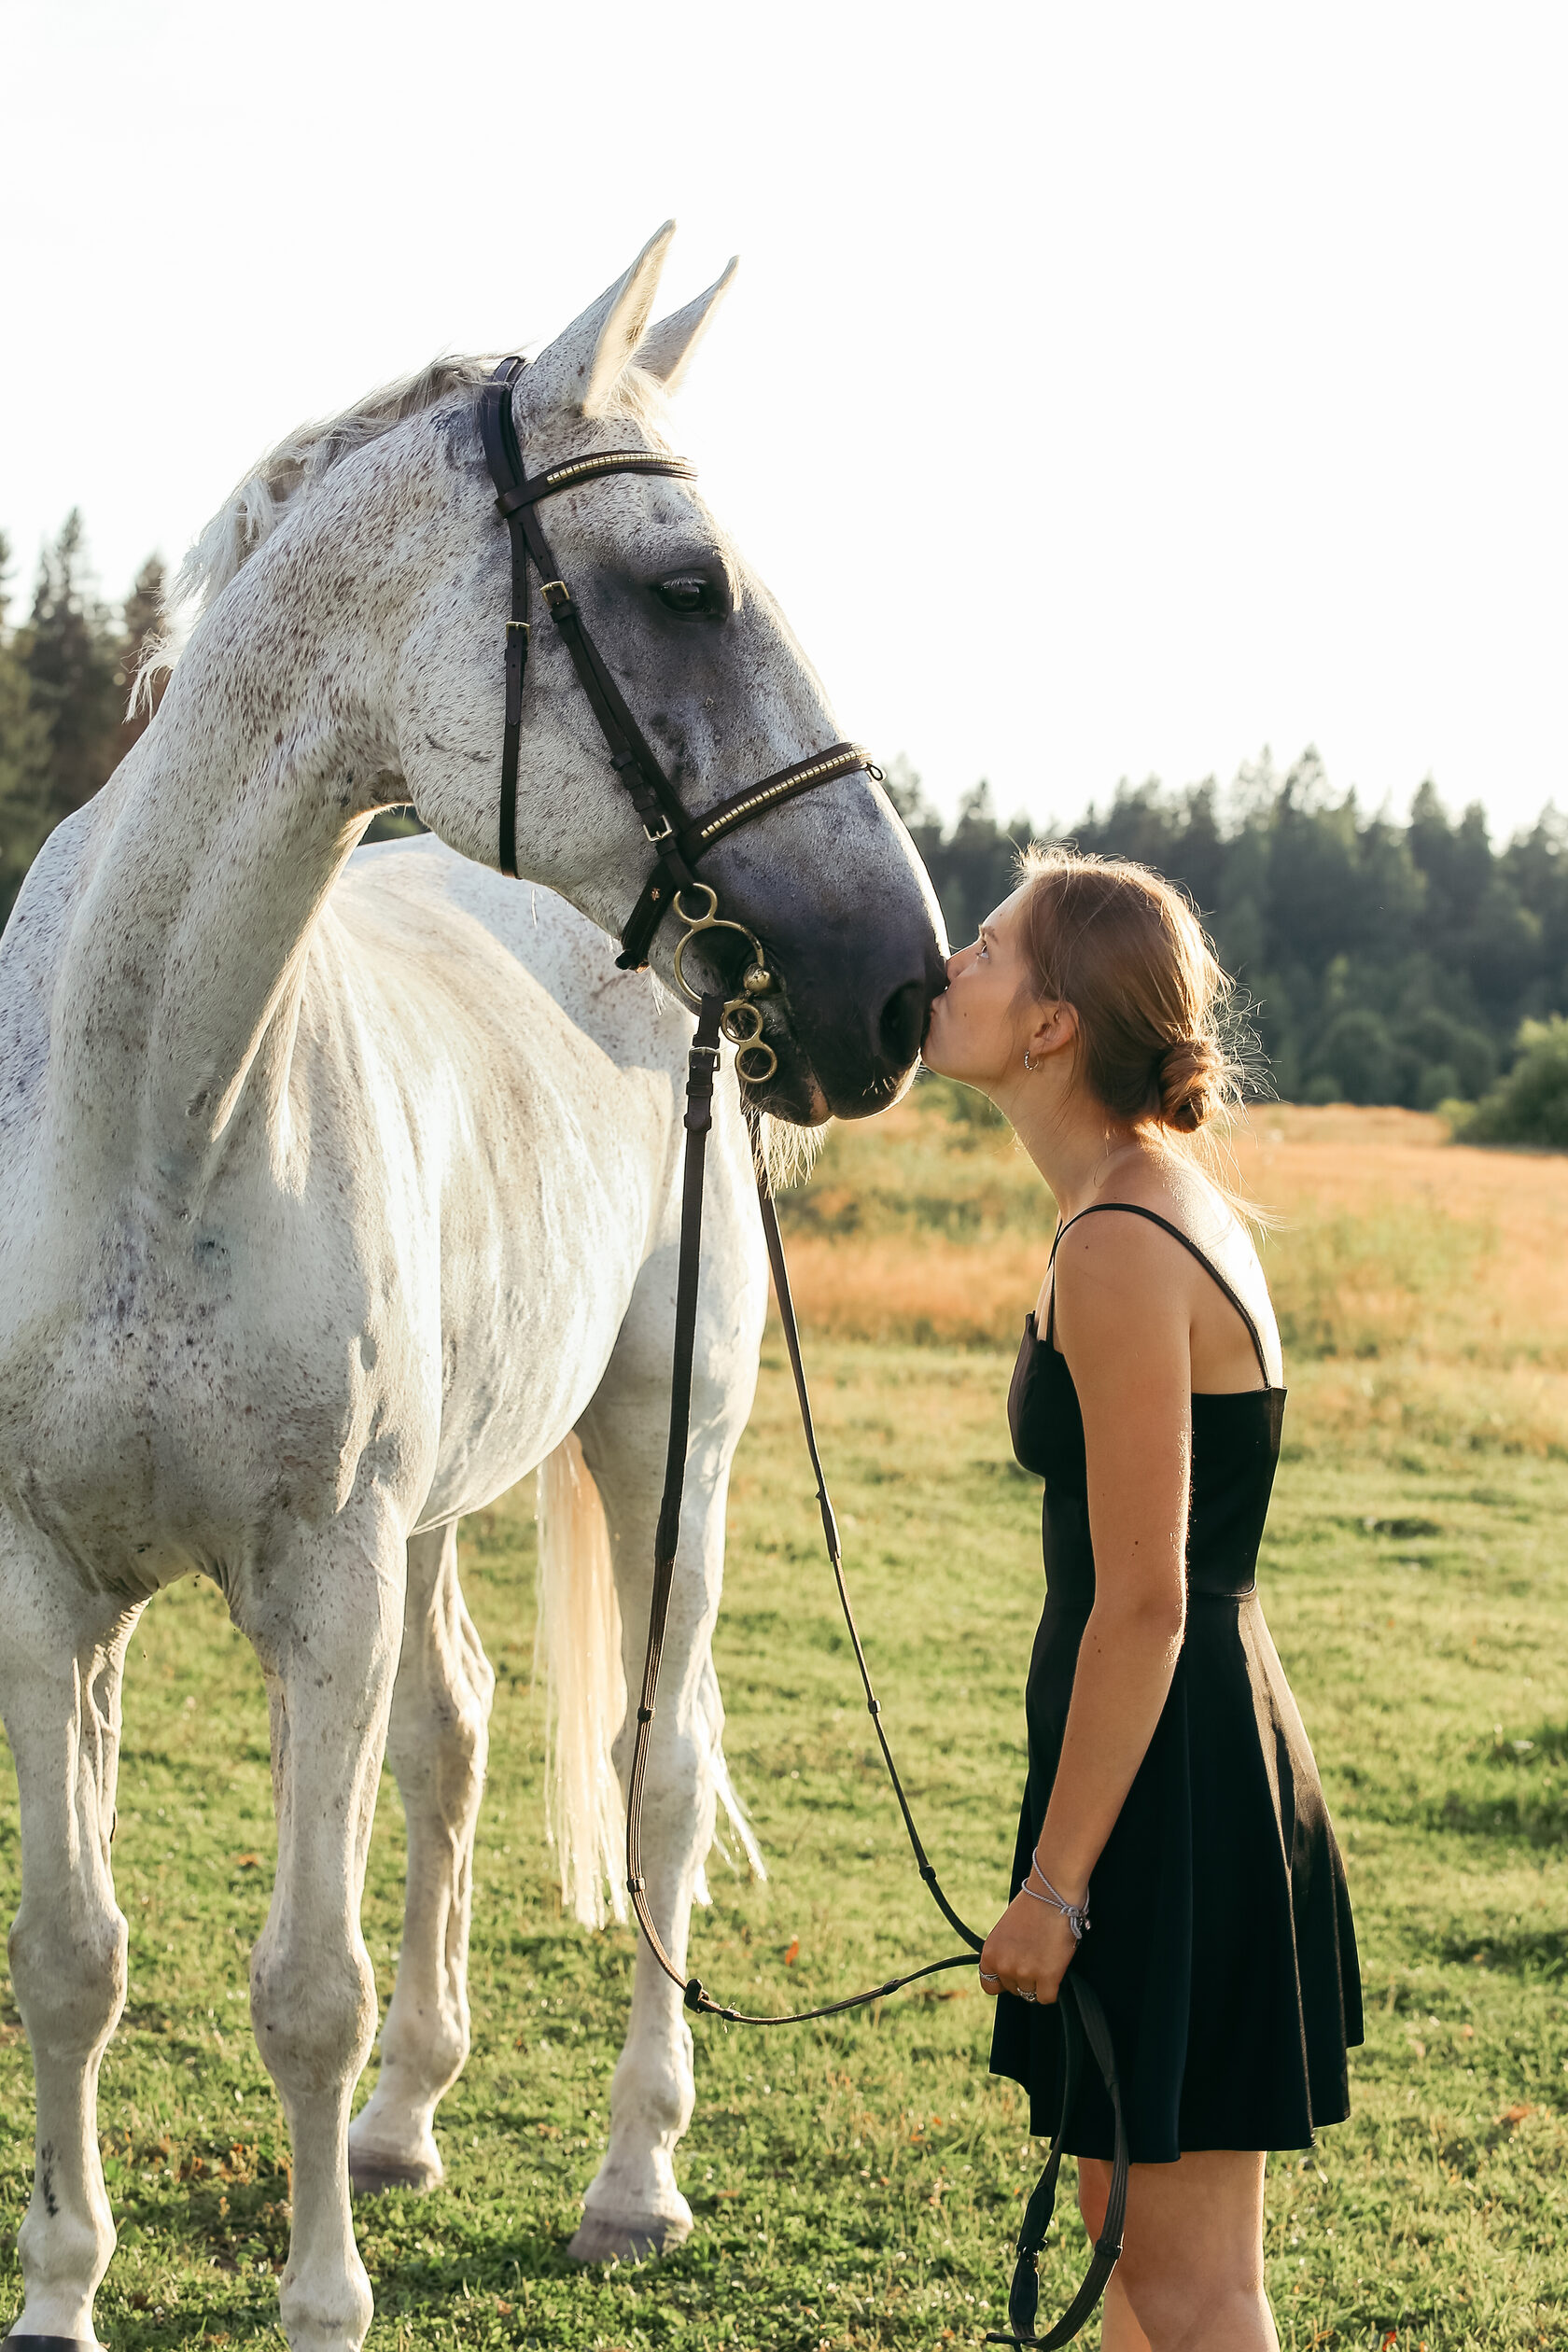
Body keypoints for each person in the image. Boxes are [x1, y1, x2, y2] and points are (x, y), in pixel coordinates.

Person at [921, 847, 1362, 2352]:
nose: (951, 964)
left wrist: (1056, 1885)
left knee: (1185, 2282)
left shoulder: (1121, 1236)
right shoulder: (1131, 1202)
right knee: (1130, 2248)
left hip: (1172, 1774)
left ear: (1053, 1025)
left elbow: (1146, 1604)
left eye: (985, 947)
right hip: (1174, 1761)